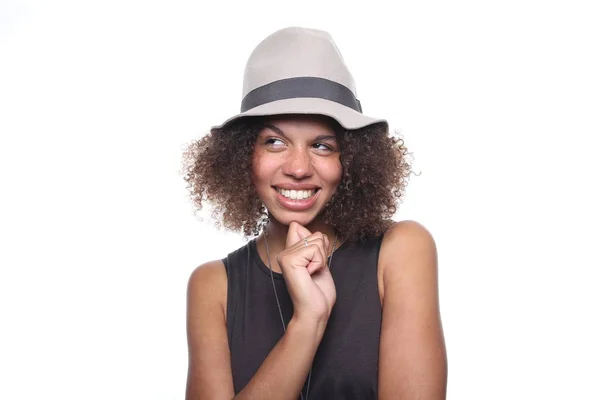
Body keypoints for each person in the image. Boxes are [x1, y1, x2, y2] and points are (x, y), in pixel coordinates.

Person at [182, 26, 447, 400]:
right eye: (274, 142)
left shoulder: (401, 250)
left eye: (322, 146)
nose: (299, 168)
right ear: (243, 156)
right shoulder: (213, 286)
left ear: (351, 159)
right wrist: (307, 322)